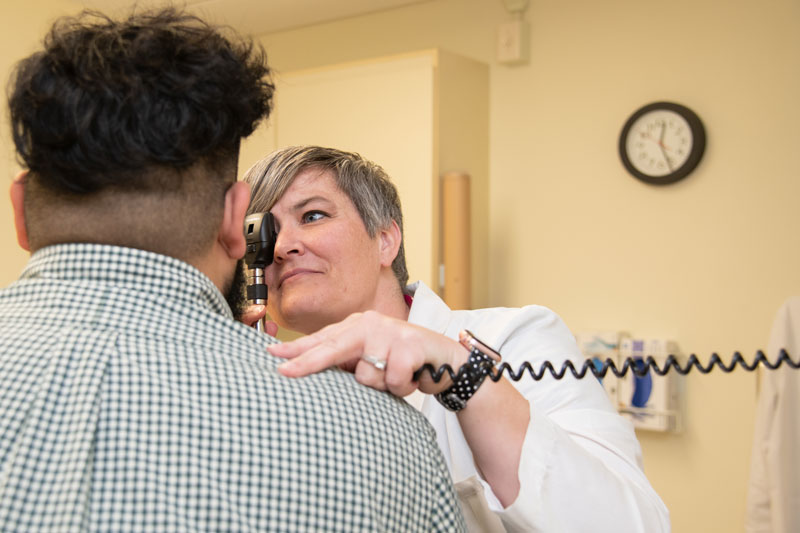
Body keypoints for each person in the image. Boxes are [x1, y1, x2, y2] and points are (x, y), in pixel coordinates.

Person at [0, 11, 466, 532]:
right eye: (273, 226)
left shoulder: (494, 350)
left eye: (313, 215)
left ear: (18, 210)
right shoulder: (388, 443)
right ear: (234, 220)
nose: (286, 246)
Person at [242, 145, 672, 532]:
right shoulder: (266, 386)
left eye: (313, 216)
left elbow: (632, 525)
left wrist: (466, 377)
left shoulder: (517, 338)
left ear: (386, 240)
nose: (282, 247)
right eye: (265, 232)